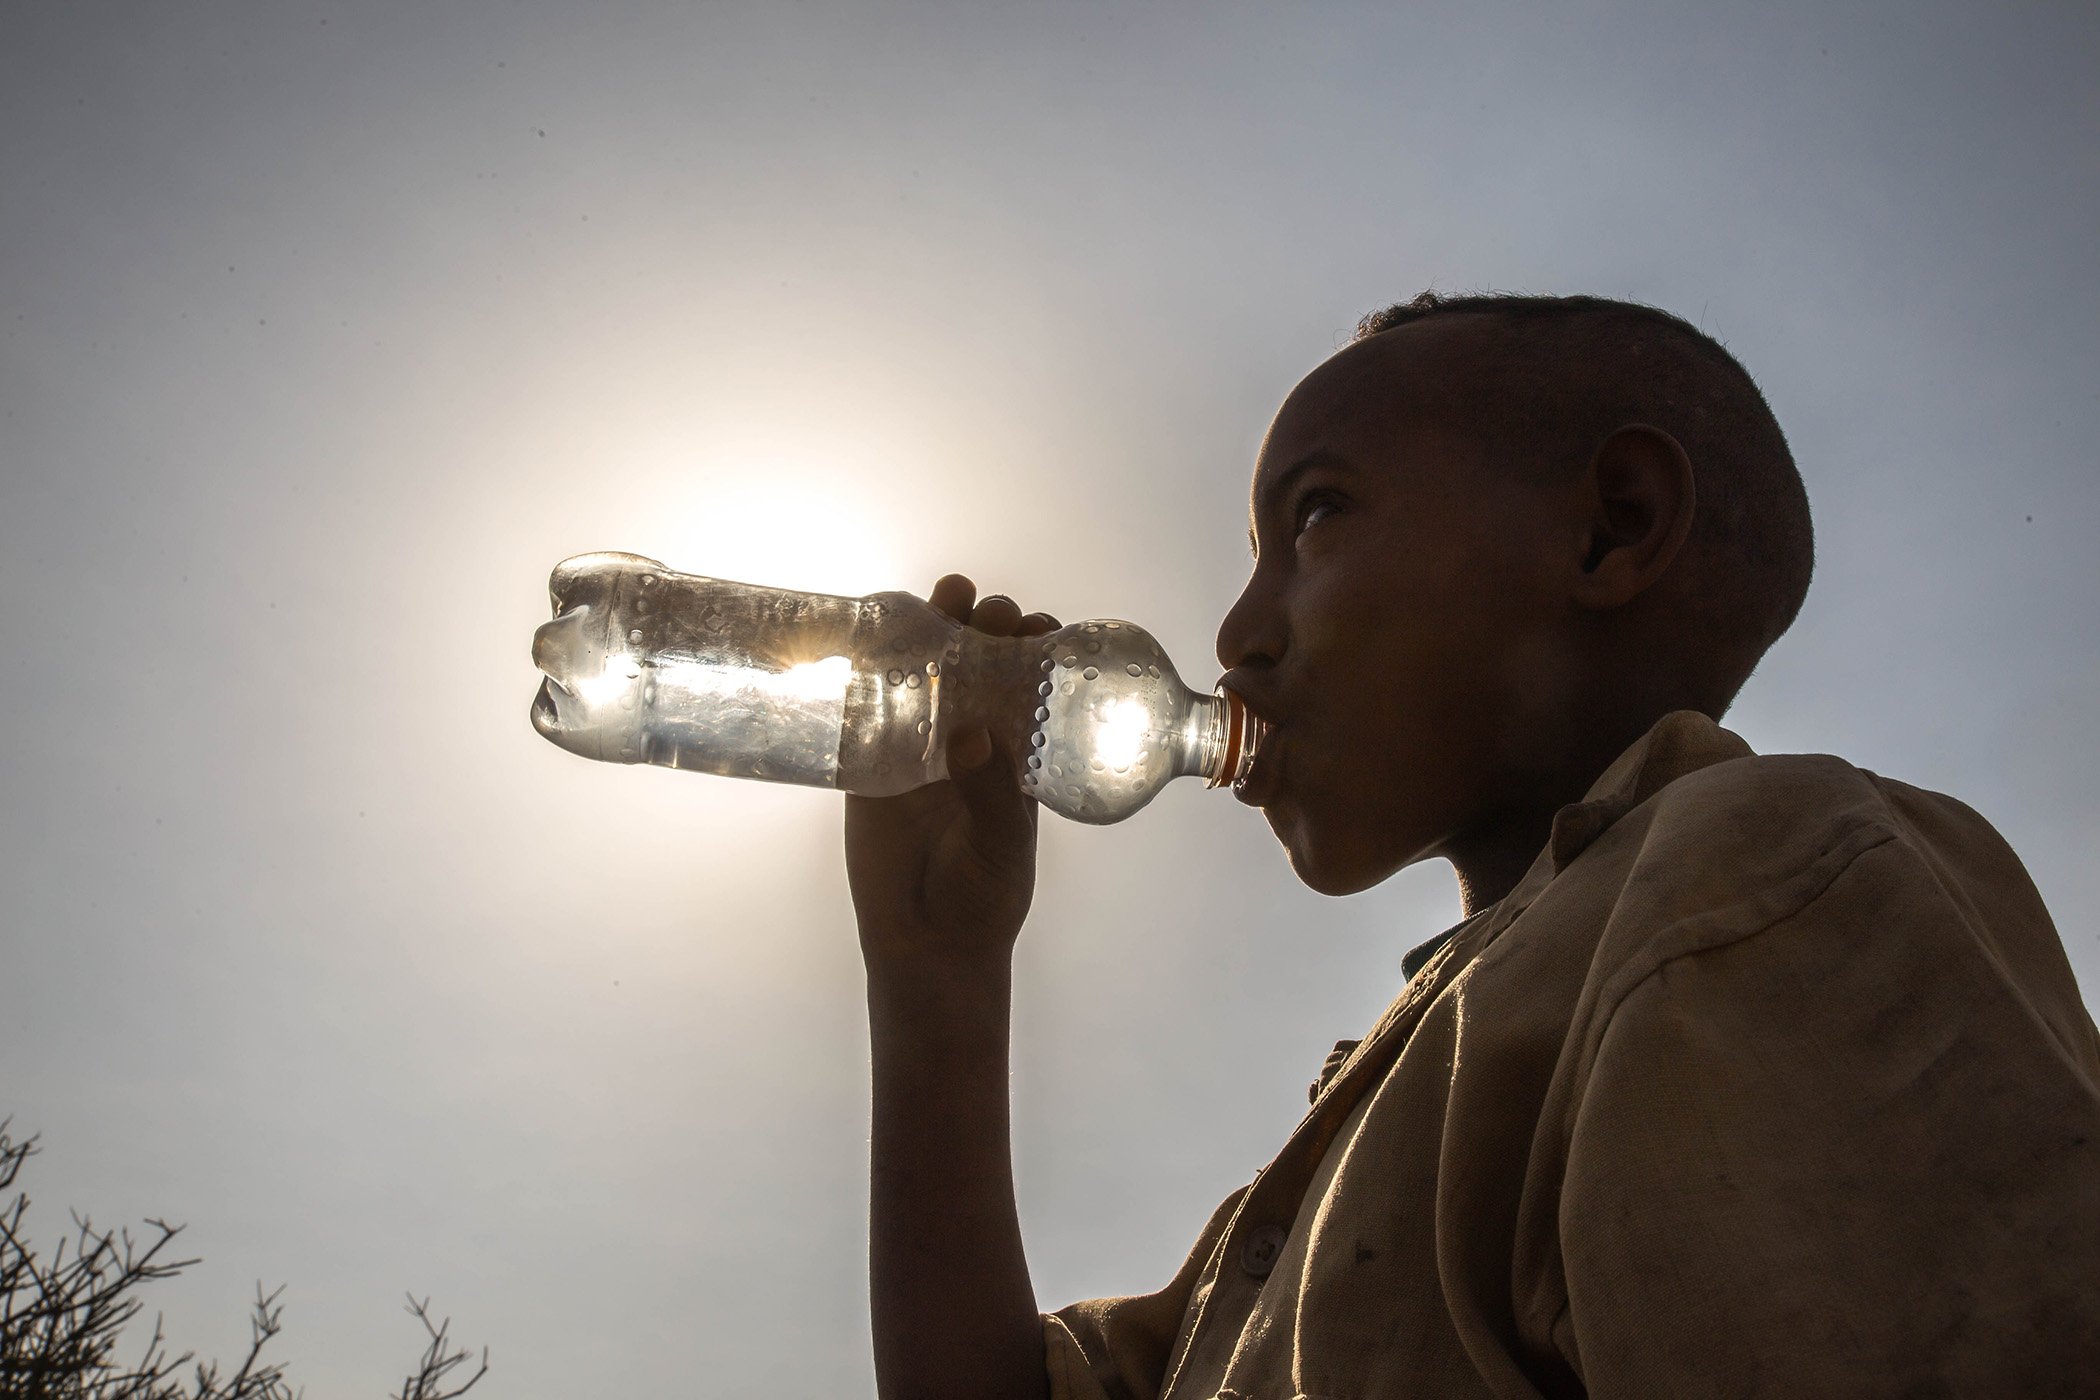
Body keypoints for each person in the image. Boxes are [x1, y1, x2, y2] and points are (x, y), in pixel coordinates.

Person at [843, 292, 2100, 1399]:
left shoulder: (1756, 881)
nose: (1235, 632)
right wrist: (939, 976)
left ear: (1611, 526)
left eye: (1316, 515)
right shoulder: (1356, 1140)